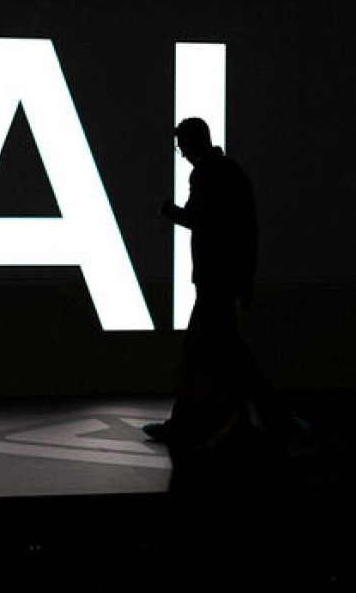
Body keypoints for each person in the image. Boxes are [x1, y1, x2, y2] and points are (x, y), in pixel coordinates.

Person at [145, 117, 259, 459]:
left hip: (213, 280)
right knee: (222, 352)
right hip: (228, 279)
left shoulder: (205, 174)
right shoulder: (233, 172)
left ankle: (190, 424)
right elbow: (249, 229)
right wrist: (246, 278)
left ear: (193, 143)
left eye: (182, 147)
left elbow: (198, 220)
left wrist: (168, 210)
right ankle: (237, 420)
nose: (181, 154)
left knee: (199, 352)